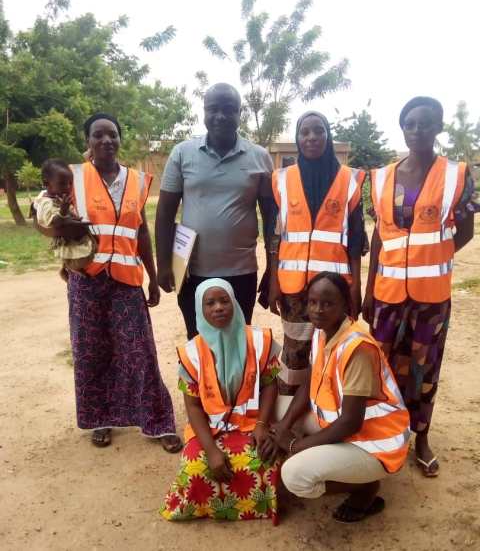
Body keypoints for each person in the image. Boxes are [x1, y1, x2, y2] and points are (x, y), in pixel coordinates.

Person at [34, 112, 182, 452]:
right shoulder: (72, 177)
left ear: (119, 138)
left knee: (139, 350)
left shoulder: (137, 181)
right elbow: (41, 209)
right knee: (90, 350)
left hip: (127, 279)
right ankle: (99, 419)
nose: (106, 141)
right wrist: (53, 229)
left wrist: (152, 276)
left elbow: (141, 230)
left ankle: (158, 421)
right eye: (98, 135)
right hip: (86, 278)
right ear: (88, 141)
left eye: (112, 135)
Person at [362, 96, 476, 477]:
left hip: (431, 299)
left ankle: (420, 436)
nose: (416, 130)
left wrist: (434, 257)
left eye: (425, 124)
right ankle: (383, 431)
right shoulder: (381, 178)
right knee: (383, 366)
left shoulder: (458, 175)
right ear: (402, 127)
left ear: (438, 127)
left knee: (424, 370)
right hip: (386, 296)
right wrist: (368, 291)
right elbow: (379, 237)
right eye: (409, 123)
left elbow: (465, 231)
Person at [271, 272, 410, 523]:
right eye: (312, 302)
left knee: (293, 477)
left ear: (345, 305)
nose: (317, 310)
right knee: (279, 410)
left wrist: (293, 446)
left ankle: (365, 488)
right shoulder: (322, 331)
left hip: (376, 440)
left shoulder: (357, 347)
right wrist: (283, 426)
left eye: (327, 303)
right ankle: (336, 461)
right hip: (344, 424)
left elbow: (350, 423)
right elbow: (310, 382)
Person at [155, 83, 274, 339]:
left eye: (229, 109)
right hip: (191, 271)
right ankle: (201, 381)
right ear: (204, 112)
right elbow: (164, 213)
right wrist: (163, 264)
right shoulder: (182, 153)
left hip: (241, 271)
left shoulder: (260, 157)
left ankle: (237, 381)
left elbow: (271, 217)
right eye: (213, 109)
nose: (220, 116)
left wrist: (273, 267)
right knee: (197, 340)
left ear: (239, 113)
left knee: (238, 340)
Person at [161, 279, 281, 523]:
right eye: (210, 303)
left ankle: (259, 508)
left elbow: (270, 384)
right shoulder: (191, 353)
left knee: (265, 461)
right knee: (195, 468)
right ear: (199, 309)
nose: (218, 308)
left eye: (224, 300)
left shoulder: (259, 341)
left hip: (251, 425)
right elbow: (193, 407)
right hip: (210, 431)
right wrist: (211, 450)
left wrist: (261, 425)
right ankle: (209, 508)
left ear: (235, 304)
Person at [268, 111, 366, 396]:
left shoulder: (350, 180)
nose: (311, 137)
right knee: (295, 352)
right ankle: (289, 413)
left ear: (328, 135)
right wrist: (273, 280)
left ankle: (328, 412)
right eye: (305, 132)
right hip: (293, 288)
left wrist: (356, 286)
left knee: (333, 350)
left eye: (318, 131)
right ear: (297, 139)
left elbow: (357, 239)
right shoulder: (281, 180)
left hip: (334, 289)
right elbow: (275, 235)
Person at [33, 158, 96, 280]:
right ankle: (69, 268)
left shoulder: (58, 196)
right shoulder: (45, 201)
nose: (67, 187)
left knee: (83, 250)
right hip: (67, 238)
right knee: (77, 255)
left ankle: (68, 267)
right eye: (62, 184)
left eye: (70, 183)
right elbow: (52, 222)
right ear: (47, 184)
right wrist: (64, 211)